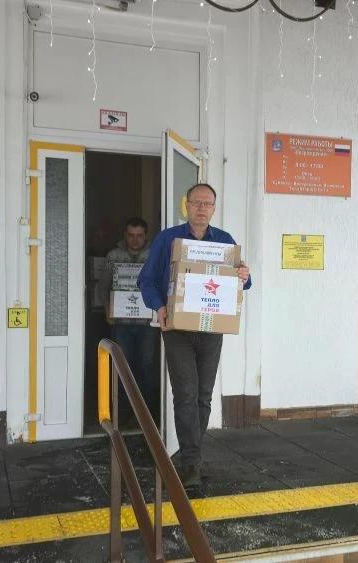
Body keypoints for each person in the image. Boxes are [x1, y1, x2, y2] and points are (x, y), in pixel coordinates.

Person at [137, 183, 252, 486]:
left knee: (203, 396)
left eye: (207, 203)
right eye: (196, 202)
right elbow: (146, 280)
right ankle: (191, 463)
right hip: (177, 329)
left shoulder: (225, 241)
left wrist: (244, 274)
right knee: (186, 394)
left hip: (212, 329)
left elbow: (242, 283)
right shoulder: (168, 239)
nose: (202, 208)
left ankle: (192, 457)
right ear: (186, 205)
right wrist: (159, 306)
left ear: (214, 208)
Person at [99, 218, 158, 423]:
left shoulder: (154, 255)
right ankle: (123, 412)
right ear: (125, 235)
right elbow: (104, 287)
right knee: (122, 366)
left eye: (139, 235)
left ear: (146, 236)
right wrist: (107, 311)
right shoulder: (113, 256)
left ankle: (147, 414)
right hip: (121, 322)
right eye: (131, 235)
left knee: (147, 366)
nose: (135, 240)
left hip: (148, 323)